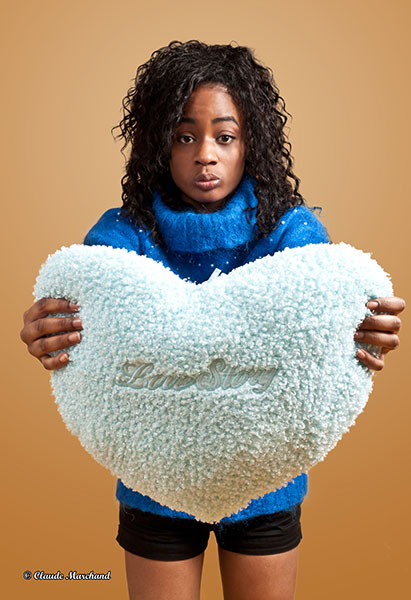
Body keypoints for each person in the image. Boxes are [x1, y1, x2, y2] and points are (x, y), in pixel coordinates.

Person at [20, 41, 405, 600]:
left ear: (251, 142)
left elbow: (321, 336)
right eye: (184, 136)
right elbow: (92, 341)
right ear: (158, 142)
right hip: (154, 482)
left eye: (225, 137)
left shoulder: (292, 234)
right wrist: (52, 333)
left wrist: (360, 332)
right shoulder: (122, 238)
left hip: (266, 482)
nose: (205, 154)